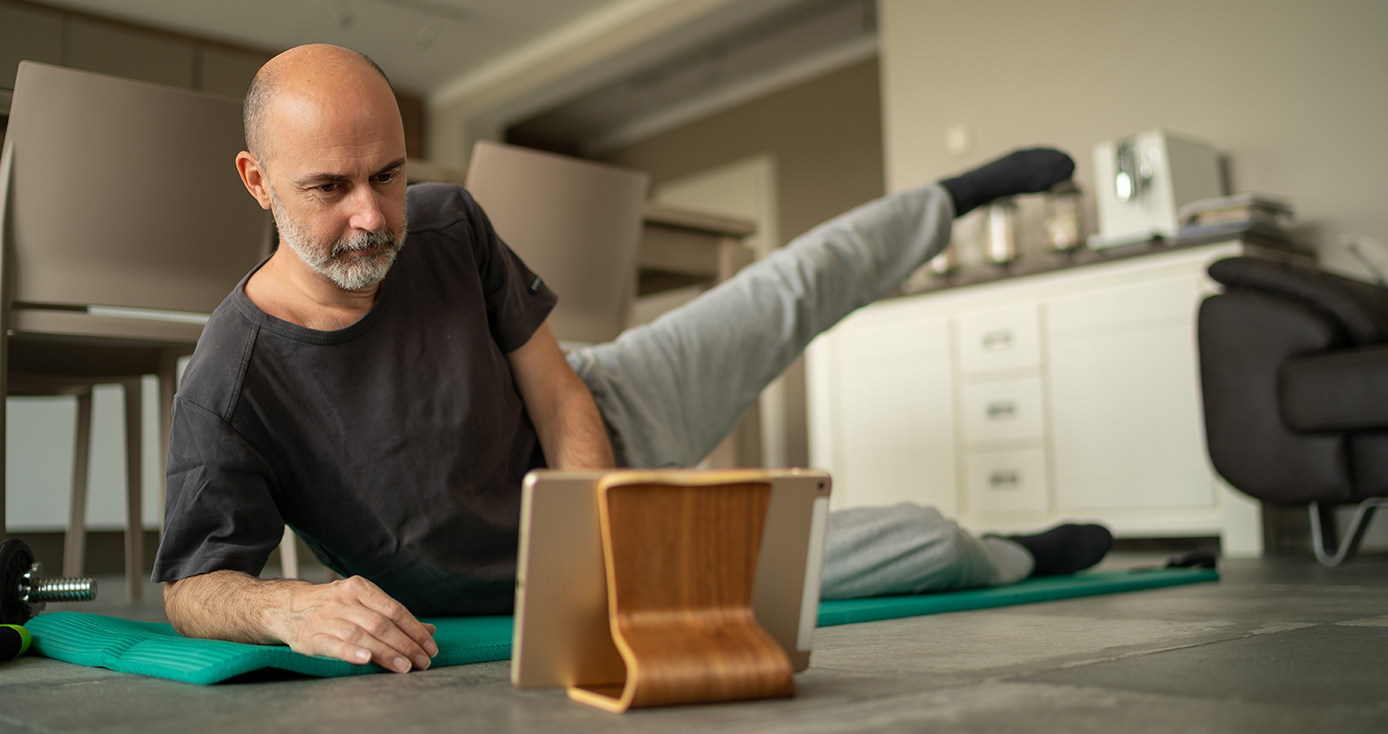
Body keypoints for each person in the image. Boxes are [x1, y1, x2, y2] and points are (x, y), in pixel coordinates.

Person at [154, 44, 1111, 676]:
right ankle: (1022, 554)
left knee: (788, 287)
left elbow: (556, 384)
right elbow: (193, 586)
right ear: (258, 181)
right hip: (525, 571)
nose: (371, 215)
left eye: (389, 174)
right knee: (927, 546)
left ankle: (954, 196)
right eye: (330, 186)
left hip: (599, 426)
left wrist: (595, 526)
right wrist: (286, 607)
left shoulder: (446, 223)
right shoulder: (229, 386)